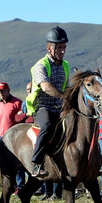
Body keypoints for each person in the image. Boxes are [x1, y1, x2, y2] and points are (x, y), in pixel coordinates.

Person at [27, 27, 70, 177]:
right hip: (42, 107)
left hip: (60, 107)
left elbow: (68, 87)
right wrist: (64, 97)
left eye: (64, 47)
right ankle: (36, 164)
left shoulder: (66, 66)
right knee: (47, 125)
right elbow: (45, 87)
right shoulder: (41, 65)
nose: (62, 51)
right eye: (59, 48)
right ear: (49, 48)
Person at [0, 82, 26, 191]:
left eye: (3, 91)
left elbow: (24, 118)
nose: (1, 93)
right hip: (3, 137)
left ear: (8, 91)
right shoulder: (0, 104)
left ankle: (21, 185)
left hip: (14, 138)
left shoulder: (17, 103)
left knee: (17, 163)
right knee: (5, 163)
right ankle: (10, 185)